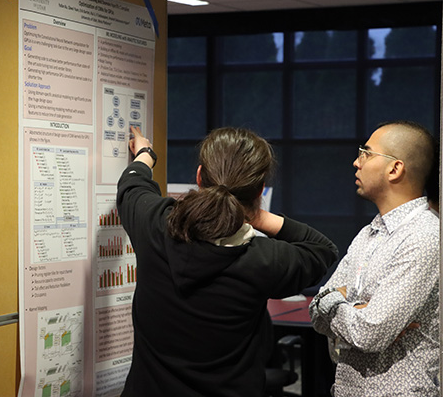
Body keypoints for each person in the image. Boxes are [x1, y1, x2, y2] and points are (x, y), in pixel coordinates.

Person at [118, 126, 338, 397]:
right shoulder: (266, 259)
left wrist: (144, 153)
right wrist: (254, 214)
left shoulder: (154, 226)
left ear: (199, 177)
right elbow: (322, 249)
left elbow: (132, 185)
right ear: (259, 191)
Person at [309, 120, 440, 396]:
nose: (356, 163)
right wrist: (354, 308)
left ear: (395, 168)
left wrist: (334, 301)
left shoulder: (424, 235)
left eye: (366, 154)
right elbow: (315, 313)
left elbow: (370, 333)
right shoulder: (369, 232)